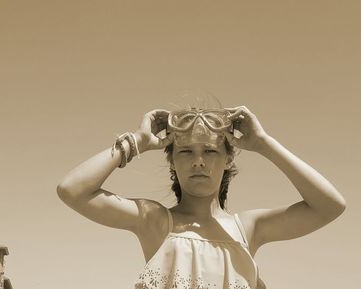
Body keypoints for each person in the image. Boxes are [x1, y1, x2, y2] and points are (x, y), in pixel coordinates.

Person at [57, 105, 346, 289]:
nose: (198, 161)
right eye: (186, 152)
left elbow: (330, 206)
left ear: (227, 159)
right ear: (171, 160)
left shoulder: (247, 229)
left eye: (209, 151)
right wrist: (137, 142)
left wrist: (264, 144)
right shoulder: (155, 220)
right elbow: (72, 190)